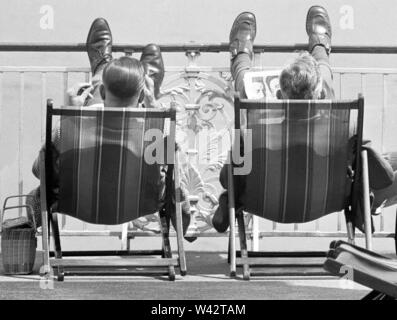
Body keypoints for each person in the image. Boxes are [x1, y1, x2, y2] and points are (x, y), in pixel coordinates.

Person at [212, 6, 395, 233]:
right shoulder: (341, 132)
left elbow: (225, 178)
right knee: (324, 76)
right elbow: (384, 176)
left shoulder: (255, 134)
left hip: (265, 203)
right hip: (323, 203)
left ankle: (240, 53)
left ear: (278, 96)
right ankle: (320, 46)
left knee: (245, 84)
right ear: (318, 96)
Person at [26, 18, 193, 239]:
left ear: (102, 94)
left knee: (34, 196)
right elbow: (177, 173)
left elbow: (39, 170)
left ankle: (101, 70)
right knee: (173, 174)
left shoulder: (69, 131)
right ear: (143, 96)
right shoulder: (152, 135)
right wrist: (153, 112)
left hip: (79, 204)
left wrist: (70, 115)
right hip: (140, 204)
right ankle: (185, 226)